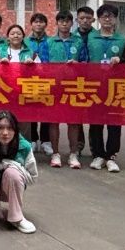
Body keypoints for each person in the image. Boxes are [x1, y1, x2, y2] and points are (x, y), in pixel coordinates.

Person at [87, 4, 125, 172]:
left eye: (111, 16)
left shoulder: (123, 40)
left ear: (115, 19)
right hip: (95, 87)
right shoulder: (90, 38)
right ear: (98, 19)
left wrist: (120, 61)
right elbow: (84, 59)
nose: (107, 19)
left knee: (114, 122)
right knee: (95, 122)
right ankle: (98, 155)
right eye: (104, 16)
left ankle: (111, 156)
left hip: (115, 87)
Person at [47, 11, 83, 169]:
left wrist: (78, 65)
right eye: (61, 21)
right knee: (54, 121)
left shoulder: (78, 42)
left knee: (73, 121)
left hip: (74, 86)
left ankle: (73, 154)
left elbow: (86, 62)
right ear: (57, 23)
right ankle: (55, 153)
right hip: (54, 87)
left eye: (67, 21)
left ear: (72, 23)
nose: (64, 23)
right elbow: (43, 63)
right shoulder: (49, 42)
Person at [25, 13, 53, 156]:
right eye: (35, 22)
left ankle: (45, 140)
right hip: (29, 80)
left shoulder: (51, 41)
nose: (38, 24)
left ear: (45, 25)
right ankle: (33, 139)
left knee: (46, 110)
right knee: (31, 109)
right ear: (31, 24)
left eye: (41, 22)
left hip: (48, 79)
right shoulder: (25, 41)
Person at [74, 5, 96, 153]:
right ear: (77, 20)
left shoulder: (98, 36)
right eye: (82, 18)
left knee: (94, 114)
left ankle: (95, 147)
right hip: (75, 81)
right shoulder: (71, 37)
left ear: (93, 19)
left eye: (88, 18)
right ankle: (78, 145)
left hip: (94, 80)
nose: (85, 21)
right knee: (77, 115)